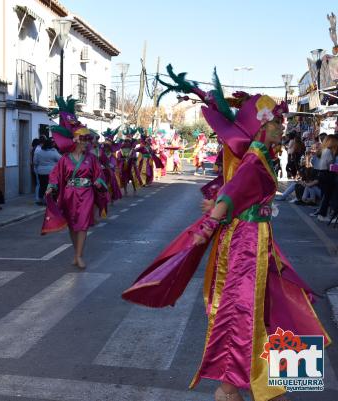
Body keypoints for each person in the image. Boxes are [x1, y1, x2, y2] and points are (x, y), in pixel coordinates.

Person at [122, 66, 330, 401]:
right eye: (277, 123)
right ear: (262, 125)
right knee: (243, 310)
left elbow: (229, 191)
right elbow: (234, 192)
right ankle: (244, 387)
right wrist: (208, 223)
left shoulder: (258, 156)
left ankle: (260, 386)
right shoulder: (252, 160)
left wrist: (218, 208)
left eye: (281, 122)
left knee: (273, 306)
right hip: (247, 245)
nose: (282, 128)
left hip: (259, 243)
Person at [42, 96, 108, 269]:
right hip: (70, 193)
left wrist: (99, 182)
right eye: (85, 139)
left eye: (89, 140)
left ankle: (79, 256)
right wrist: (51, 187)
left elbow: (99, 173)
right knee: (72, 224)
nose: (88, 142)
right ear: (76, 140)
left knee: (83, 224)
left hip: (86, 193)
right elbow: (55, 175)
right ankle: (76, 252)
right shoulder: (65, 159)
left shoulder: (91, 158)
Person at [313, 135, 338, 222]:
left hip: (323, 174)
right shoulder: (329, 151)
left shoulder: (325, 150)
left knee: (326, 196)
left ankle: (322, 214)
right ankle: (322, 214)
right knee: (327, 196)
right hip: (327, 174)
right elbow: (329, 166)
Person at [34, 137, 61, 205]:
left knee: (42, 186)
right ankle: (50, 200)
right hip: (51, 172)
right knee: (51, 186)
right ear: (50, 145)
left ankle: (40, 199)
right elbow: (61, 159)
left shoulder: (38, 152)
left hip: (41, 172)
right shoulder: (53, 152)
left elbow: (35, 162)